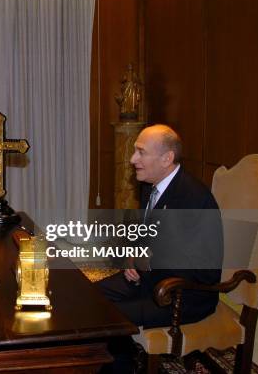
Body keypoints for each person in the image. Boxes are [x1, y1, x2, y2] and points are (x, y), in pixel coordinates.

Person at [97, 124, 223, 371]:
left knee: (108, 318)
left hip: (182, 295)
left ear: (167, 158)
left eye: (141, 152)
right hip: (147, 280)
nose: (132, 159)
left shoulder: (193, 199)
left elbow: (205, 271)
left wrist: (150, 261)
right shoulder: (150, 187)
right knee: (91, 299)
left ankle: (119, 367)